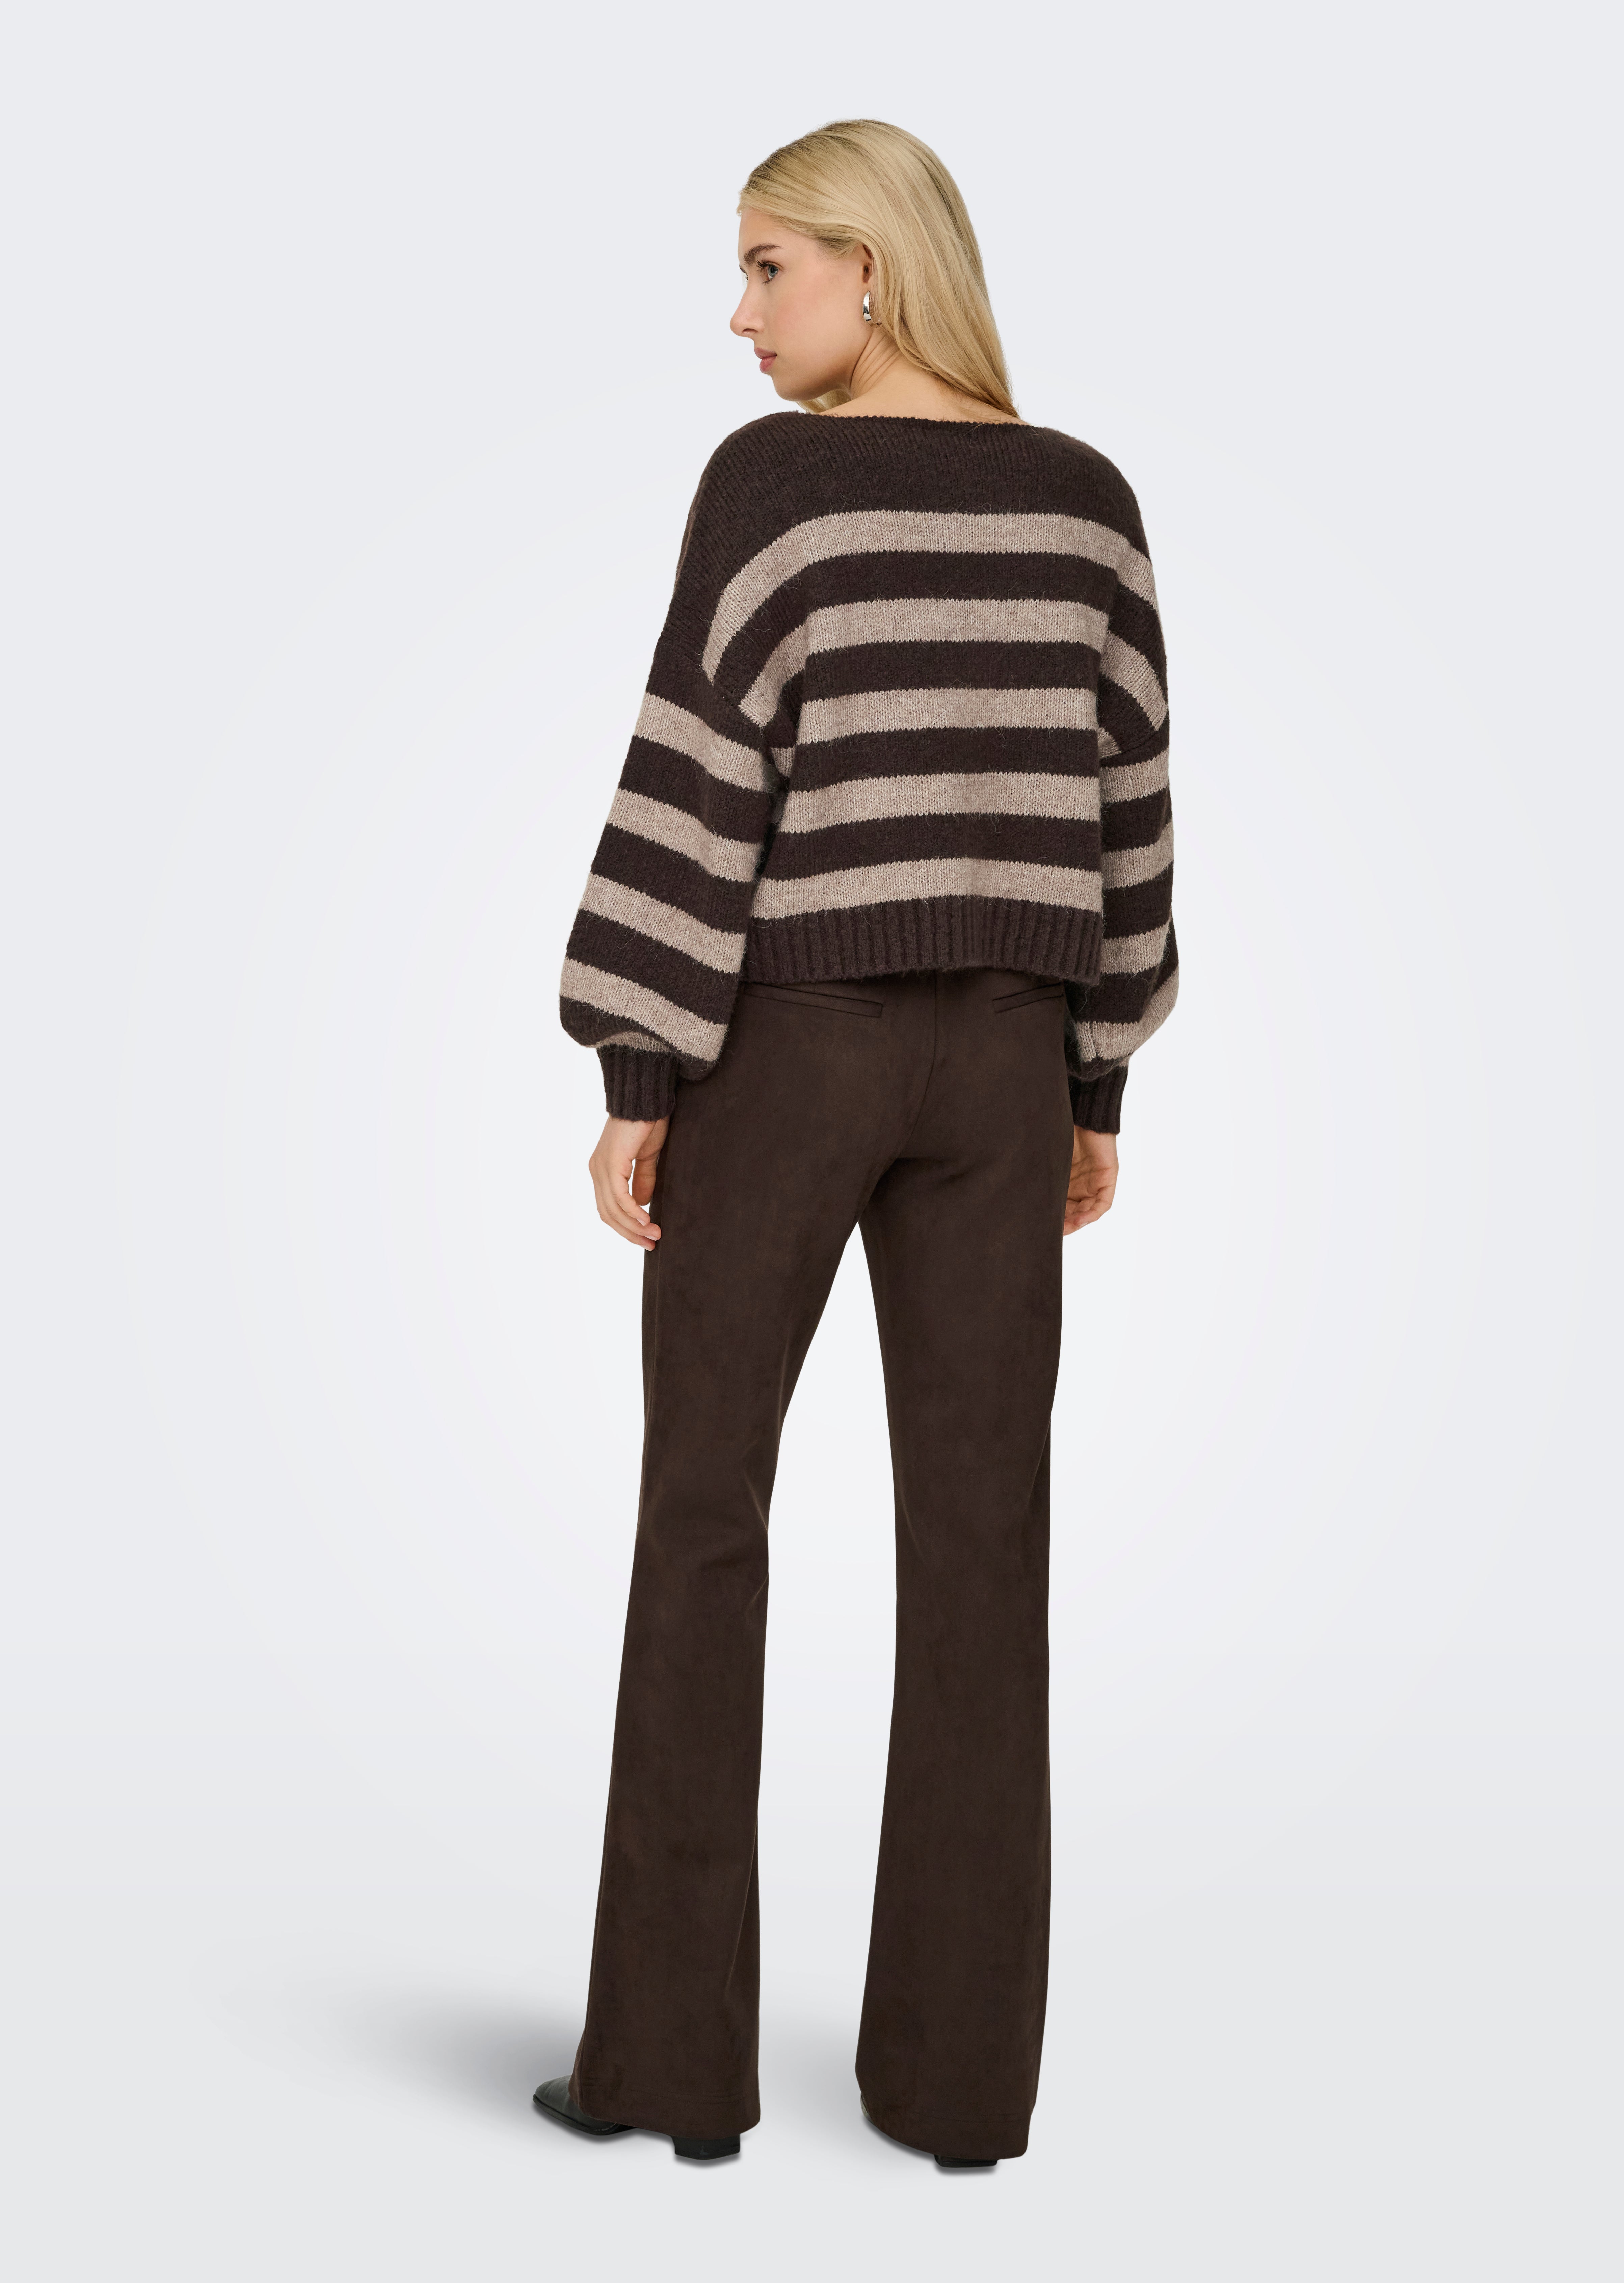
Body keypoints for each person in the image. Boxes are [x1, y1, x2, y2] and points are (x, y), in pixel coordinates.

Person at [533, 117, 1178, 2170]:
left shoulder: (777, 486)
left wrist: (641, 1068)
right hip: (1004, 1066)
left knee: (705, 1515)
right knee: (987, 1548)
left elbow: (698, 774)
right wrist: (1093, 1079)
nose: (740, 316)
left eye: (768, 268)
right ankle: (959, 2092)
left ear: (872, 269)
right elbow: (1132, 811)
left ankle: (668, 2070)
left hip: (789, 1052)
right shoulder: (1089, 504)